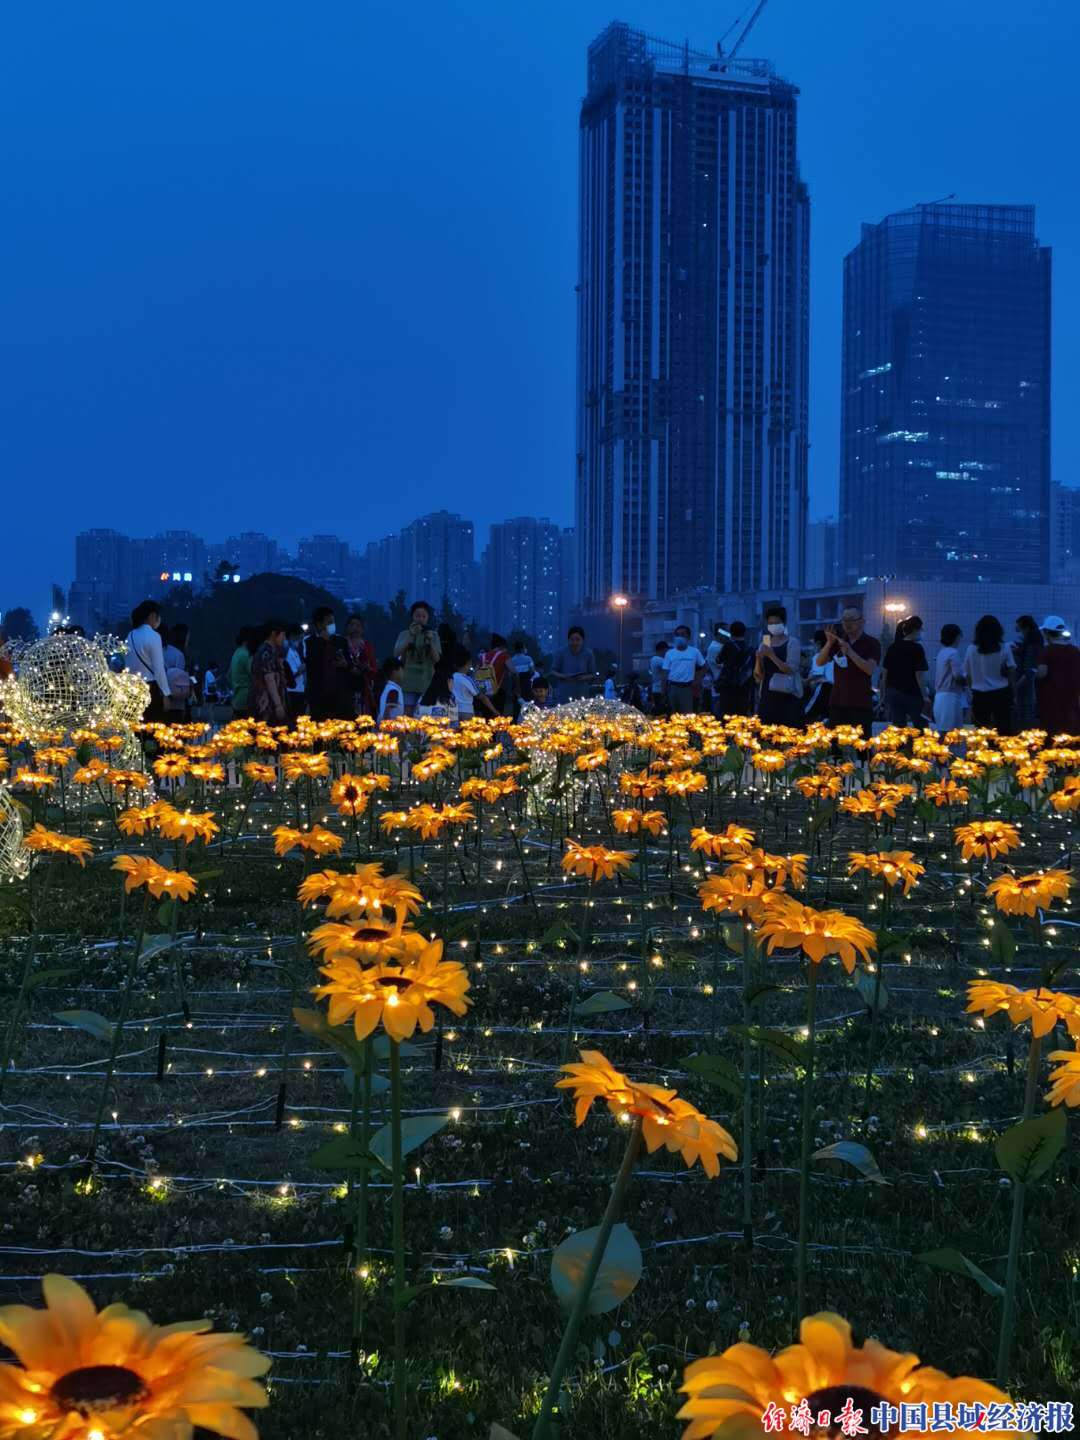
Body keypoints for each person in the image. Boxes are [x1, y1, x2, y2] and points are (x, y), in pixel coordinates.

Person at [816, 605, 880, 738]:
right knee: (836, 748)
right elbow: (820, 662)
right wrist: (829, 643)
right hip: (838, 702)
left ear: (862, 621)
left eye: (851, 620)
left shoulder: (871, 643)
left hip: (860, 703)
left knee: (862, 748)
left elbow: (869, 669)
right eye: (844, 620)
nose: (847, 624)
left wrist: (850, 651)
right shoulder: (838, 641)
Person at [964, 614, 1016, 733]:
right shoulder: (1004, 647)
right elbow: (1012, 670)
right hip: (1001, 693)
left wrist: (971, 691)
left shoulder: (971, 649)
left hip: (979, 694)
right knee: (1003, 729)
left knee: (981, 731)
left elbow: (967, 674)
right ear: (998, 631)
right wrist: (1014, 692)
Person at [754, 606, 802, 726]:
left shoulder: (792, 642)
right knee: (765, 732)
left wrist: (772, 655)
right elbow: (758, 675)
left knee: (786, 731)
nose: (773, 626)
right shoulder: (765, 641)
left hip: (786, 695)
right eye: (770, 623)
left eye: (777, 623)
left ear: (784, 623)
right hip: (767, 695)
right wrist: (758, 659)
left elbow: (791, 670)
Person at [126, 600, 171, 722]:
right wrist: (166, 693)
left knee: (136, 727)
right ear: (152, 616)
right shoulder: (154, 636)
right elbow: (159, 668)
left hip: (132, 688)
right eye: (158, 616)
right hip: (150, 689)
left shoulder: (130, 635)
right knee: (151, 727)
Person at [1035, 615, 1080, 737]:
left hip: (1051, 696)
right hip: (1072, 694)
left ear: (1047, 633)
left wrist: (1034, 673)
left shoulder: (1046, 651)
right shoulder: (1075, 650)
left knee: (1053, 728)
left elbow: (1042, 673)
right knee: (1071, 725)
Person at [882, 615, 929, 729]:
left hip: (893, 692)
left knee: (898, 726)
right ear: (915, 630)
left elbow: (885, 672)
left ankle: (900, 746)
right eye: (921, 629)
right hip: (912, 693)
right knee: (920, 726)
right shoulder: (917, 649)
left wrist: (884, 693)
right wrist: (925, 696)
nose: (922, 632)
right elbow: (919, 675)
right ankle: (917, 746)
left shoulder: (893, 647)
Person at [394, 601, 441, 714]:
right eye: (417, 615)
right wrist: (411, 636)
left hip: (427, 682)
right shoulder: (404, 634)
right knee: (407, 714)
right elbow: (396, 654)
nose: (420, 619)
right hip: (408, 682)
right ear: (412, 617)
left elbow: (437, 660)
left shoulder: (434, 635)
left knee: (425, 715)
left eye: (424, 616)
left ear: (428, 618)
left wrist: (429, 642)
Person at [306, 606, 349, 721]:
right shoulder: (309, 643)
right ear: (319, 625)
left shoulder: (341, 641)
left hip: (339, 695)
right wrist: (323, 642)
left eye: (333, 622)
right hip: (318, 695)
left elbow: (349, 664)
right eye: (329, 622)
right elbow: (310, 666)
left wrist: (345, 664)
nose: (333, 625)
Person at [251, 620, 289, 725]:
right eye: (283, 635)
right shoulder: (267, 652)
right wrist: (278, 705)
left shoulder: (266, 650)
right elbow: (269, 679)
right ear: (273, 634)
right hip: (267, 705)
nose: (284, 639)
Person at [713, 621, 755, 717]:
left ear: (731, 633)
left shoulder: (728, 646)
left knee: (727, 713)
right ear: (744, 633)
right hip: (744, 685)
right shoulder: (750, 648)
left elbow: (718, 660)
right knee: (741, 713)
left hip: (728, 685)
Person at [662, 625, 706, 714]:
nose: (680, 637)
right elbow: (665, 674)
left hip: (688, 688)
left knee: (687, 716)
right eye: (677, 635)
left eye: (683, 634)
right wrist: (663, 691)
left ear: (688, 637)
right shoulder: (669, 654)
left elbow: (704, 667)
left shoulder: (694, 652)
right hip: (672, 688)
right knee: (672, 716)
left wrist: (697, 680)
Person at [932, 624, 967, 732]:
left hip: (939, 696)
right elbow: (958, 676)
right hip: (950, 696)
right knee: (949, 732)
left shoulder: (942, 652)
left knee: (942, 730)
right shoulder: (953, 653)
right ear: (956, 637)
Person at [551, 626, 598, 703]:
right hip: (564, 692)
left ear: (583, 640)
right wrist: (564, 676)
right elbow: (553, 671)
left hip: (582, 693)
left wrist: (584, 677)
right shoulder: (561, 652)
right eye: (572, 640)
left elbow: (593, 674)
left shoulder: (588, 654)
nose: (575, 643)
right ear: (568, 640)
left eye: (578, 640)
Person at [343, 614, 377, 718]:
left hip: (362, 688)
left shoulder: (367, 646)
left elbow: (373, 668)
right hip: (344, 686)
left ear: (362, 629)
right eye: (352, 625)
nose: (355, 628)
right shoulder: (342, 643)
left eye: (358, 625)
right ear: (347, 627)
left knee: (360, 720)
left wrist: (367, 668)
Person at [1012, 615, 1042, 729]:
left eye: (1020, 628)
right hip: (1027, 684)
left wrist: (1016, 685)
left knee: (1025, 713)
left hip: (1026, 685)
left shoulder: (1032, 643)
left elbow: (1030, 669)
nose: (1019, 631)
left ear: (1026, 627)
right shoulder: (1035, 640)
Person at [451, 654, 498, 722]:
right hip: (466, 712)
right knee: (468, 732)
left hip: (452, 711)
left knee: (453, 732)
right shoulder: (467, 679)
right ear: (468, 664)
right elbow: (481, 697)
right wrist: (494, 711)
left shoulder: (450, 677)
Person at [162, 623, 194, 719]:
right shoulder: (180, 654)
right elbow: (183, 677)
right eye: (188, 636)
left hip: (163, 697)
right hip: (178, 699)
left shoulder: (163, 651)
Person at [803, 629, 833, 724]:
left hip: (824, 688)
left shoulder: (819, 656)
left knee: (805, 712)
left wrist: (805, 681)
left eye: (814, 643)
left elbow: (817, 674)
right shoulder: (833, 655)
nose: (813, 646)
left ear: (819, 643)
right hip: (836, 689)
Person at [477, 632, 512, 714]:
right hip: (498, 691)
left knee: (486, 716)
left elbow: (476, 672)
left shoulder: (482, 656)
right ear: (502, 646)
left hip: (483, 691)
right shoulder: (504, 656)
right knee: (497, 717)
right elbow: (514, 671)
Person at [229, 628, 255, 719]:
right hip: (246, 699)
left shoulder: (236, 653)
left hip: (237, 699)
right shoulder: (246, 655)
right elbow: (254, 675)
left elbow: (229, 675)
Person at [284, 624, 306, 719]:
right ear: (292, 636)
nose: (300, 641)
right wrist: (301, 669)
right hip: (293, 692)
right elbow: (290, 675)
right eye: (299, 638)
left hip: (299, 690)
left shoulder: (295, 651)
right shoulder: (287, 652)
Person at [377, 656, 405, 724]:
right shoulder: (393, 690)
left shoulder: (390, 688)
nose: (403, 673)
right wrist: (386, 729)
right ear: (395, 672)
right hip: (390, 729)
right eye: (401, 670)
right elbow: (387, 712)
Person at [509, 639, 536, 705]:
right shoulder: (528, 659)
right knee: (528, 705)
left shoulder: (511, 660)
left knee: (516, 706)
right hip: (526, 685)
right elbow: (532, 671)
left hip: (515, 686)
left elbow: (510, 675)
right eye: (524, 647)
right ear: (522, 649)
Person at [648, 641, 669, 716]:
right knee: (661, 712)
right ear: (663, 650)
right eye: (667, 651)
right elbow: (669, 667)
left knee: (660, 710)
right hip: (660, 689)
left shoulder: (654, 659)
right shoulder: (658, 659)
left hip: (657, 689)